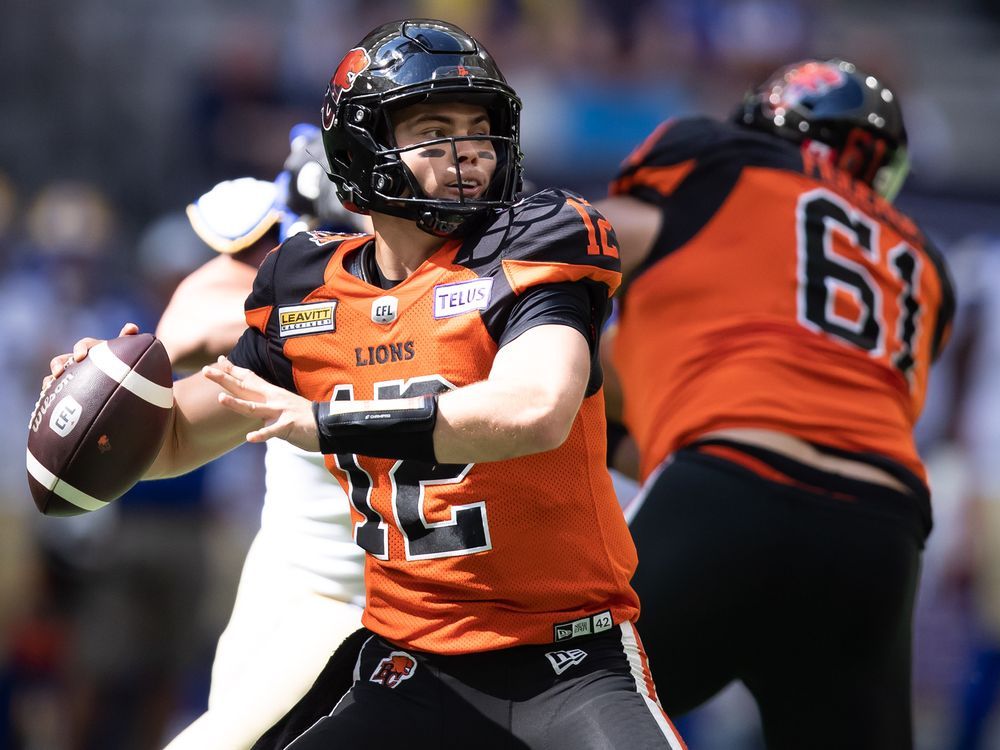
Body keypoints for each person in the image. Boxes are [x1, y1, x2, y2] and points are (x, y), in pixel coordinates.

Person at [47, 19, 684, 750]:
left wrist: (322, 423)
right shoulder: (307, 289)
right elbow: (177, 438)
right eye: (434, 129)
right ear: (362, 149)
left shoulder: (535, 242)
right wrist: (101, 399)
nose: (467, 151)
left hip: (568, 661)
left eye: (478, 128)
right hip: (409, 662)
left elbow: (535, 409)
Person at [594, 59, 955, 750]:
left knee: (535, 710)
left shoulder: (724, 171)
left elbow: (574, 244)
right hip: (879, 535)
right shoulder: (923, 265)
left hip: (733, 490)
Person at [158, 125, 369, 750]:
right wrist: (310, 318)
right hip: (293, 569)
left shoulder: (475, 276)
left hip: (398, 592)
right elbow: (186, 323)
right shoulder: (284, 270)